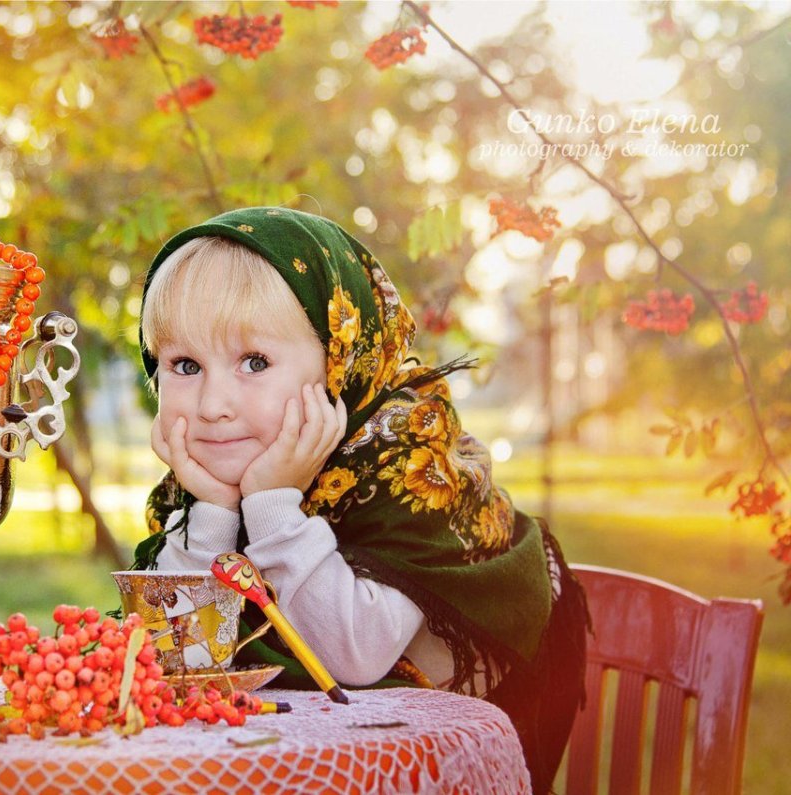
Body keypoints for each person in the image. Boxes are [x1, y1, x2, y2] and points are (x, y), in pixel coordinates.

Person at [131, 206, 588, 793]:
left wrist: (272, 505)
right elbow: (178, 663)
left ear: (340, 364)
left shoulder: (411, 470)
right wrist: (215, 513)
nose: (214, 403)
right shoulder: (197, 492)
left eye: (255, 362)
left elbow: (353, 658)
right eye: (185, 365)